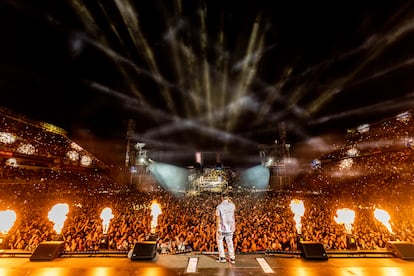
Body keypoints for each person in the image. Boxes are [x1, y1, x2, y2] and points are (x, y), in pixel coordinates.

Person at [216, 193, 236, 264]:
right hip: (230, 228)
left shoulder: (219, 207)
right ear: (228, 198)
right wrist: (229, 201)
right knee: (230, 242)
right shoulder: (232, 205)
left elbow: (218, 218)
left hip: (222, 228)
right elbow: (234, 208)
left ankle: (222, 257)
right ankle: (232, 258)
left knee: (220, 241)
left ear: (222, 198)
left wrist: (218, 229)